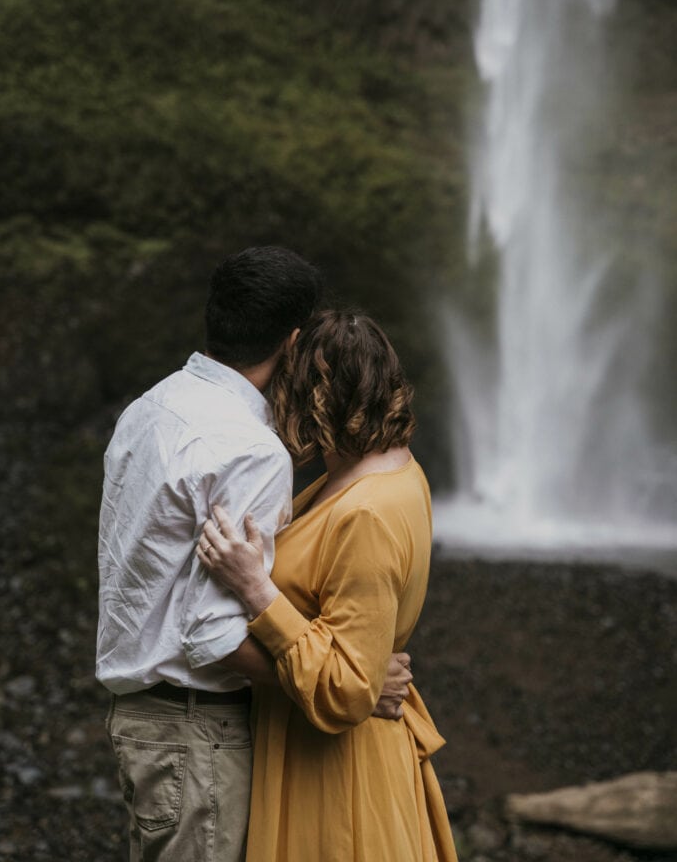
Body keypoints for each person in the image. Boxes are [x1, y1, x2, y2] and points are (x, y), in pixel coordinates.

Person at [96, 247, 412, 862]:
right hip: (199, 731)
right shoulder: (250, 450)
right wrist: (349, 688)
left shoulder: (150, 408)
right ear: (293, 342)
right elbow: (212, 638)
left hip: (142, 720)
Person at [198, 309, 459, 862]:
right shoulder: (375, 470)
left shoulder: (367, 510)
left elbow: (345, 689)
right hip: (314, 750)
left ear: (311, 396)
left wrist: (256, 589)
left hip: (338, 774)